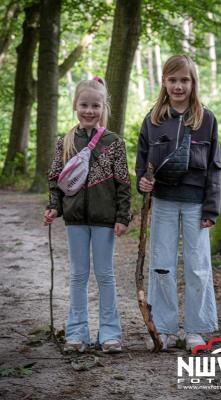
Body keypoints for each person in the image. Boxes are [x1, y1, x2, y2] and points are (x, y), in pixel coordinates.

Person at [135, 55, 221, 351]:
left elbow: (215, 166)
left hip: (197, 205)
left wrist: (212, 207)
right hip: (163, 203)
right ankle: (165, 328)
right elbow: (141, 164)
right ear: (164, 82)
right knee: (162, 266)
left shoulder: (206, 119)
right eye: (172, 80)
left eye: (184, 80)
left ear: (193, 82)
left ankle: (196, 330)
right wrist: (142, 182)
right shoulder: (153, 119)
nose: (178, 86)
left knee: (198, 267)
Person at [44, 77, 131, 354]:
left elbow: (123, 183)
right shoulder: (66, 141)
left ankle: (110, 334)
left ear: (103, 107)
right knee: (78, 275)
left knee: (105, 275)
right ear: (75, 105)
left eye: (95, 105)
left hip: (105, 220)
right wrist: (54, 206)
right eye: (84, 105)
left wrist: (122, 216)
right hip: (75, 219)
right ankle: (76, 332)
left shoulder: (114, 142)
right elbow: (56, 178)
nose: (89, 111)